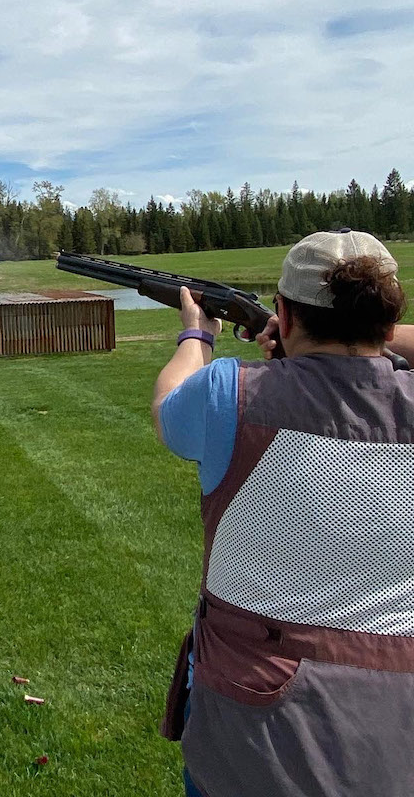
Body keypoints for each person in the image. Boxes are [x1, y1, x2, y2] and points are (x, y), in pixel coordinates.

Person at [151, 230, 414, 797]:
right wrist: (354, 340)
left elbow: (168, 405)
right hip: (397, 732)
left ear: (285, 314)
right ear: (389, 323)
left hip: (248, 737)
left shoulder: (229, 392)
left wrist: (197, 333)